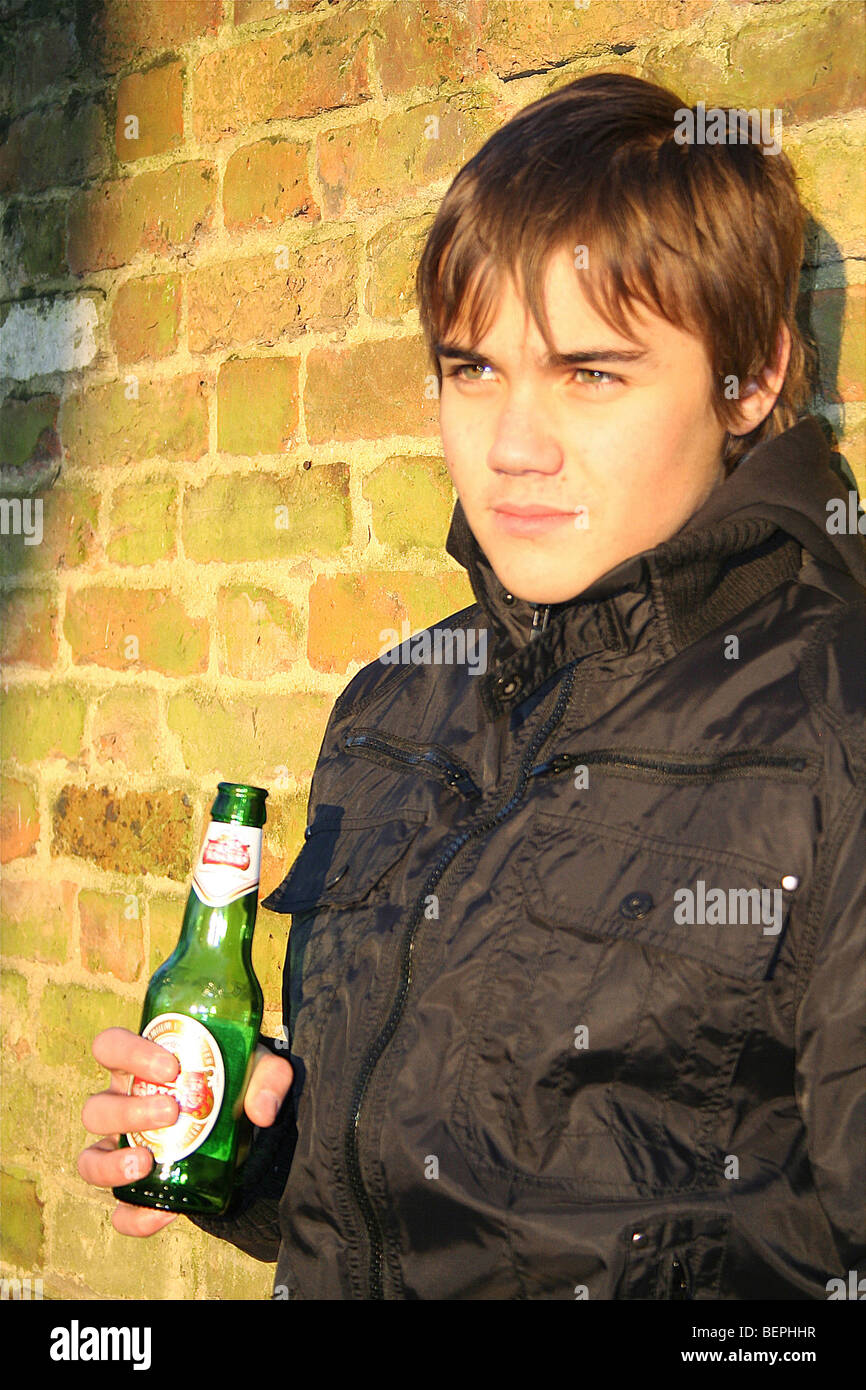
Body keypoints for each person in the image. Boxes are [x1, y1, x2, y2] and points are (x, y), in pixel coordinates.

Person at [79, 72, 865, 1300]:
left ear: (749, 379)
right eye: (473, 369)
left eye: (590, 374)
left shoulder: (837, 723)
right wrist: (246, 1153)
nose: (510, 445)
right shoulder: (392, 710)